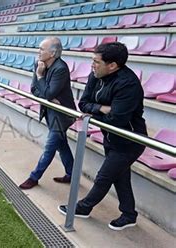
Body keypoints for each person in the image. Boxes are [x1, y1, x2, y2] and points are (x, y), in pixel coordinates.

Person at [58, 42, 147, 231]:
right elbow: (83, 103)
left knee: (104, 177)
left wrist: (97, 112)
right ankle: (129, 214)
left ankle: (83, 207)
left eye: (96, 62)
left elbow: (117, 119)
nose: (92, 65)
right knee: (120, 177)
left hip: (130, 140)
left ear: (112, 65)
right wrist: (102, 108)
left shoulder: (128, 84)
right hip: (111, 136)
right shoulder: (96, 74)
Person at [19, 37, 76, 190]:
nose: (38, 52)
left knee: (50, 147)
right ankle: (72, 173)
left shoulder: (60, 68)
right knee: (62, 145)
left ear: (52, 53)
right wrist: (48, 97)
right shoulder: (38, 64)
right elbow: (34, 89)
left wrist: (40, 76)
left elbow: (48, 92)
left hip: (62, 115)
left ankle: (34, 177)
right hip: (50, 110)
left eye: (41, 49)